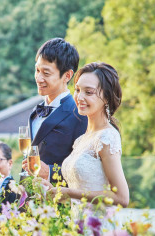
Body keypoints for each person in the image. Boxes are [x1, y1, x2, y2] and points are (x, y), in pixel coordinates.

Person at [42, 62, 129, 214]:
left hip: (99, 230)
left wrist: (69, 193)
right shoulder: (81, 140)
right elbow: (83, 190)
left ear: (107, 97)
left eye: (88, 92)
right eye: (77, 90)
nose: (79, 97)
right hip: (78, 228)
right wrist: (54, 191)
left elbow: (122, 198)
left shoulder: (107, 137)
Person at [22, 38, 88, 182]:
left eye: (46, 73)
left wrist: (50, 172)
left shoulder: (80, 114)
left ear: (67, 75)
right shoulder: (35, 113)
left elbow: (86, 169)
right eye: (37, 70)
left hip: (60, 200)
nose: (38, 78)